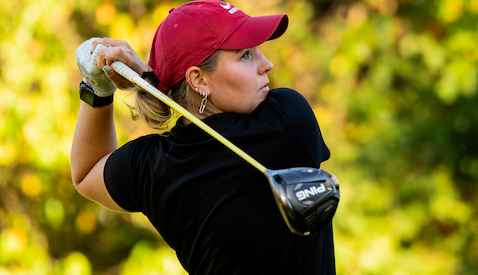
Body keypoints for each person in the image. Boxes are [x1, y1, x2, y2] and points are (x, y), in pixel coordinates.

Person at [71, 1, 335, 274]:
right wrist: (148, 77)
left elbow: (86, 171)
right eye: (245, 55)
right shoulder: (288, 120)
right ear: (198, 81)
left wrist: (97, 87)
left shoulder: (152, 167)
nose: (266, 64)